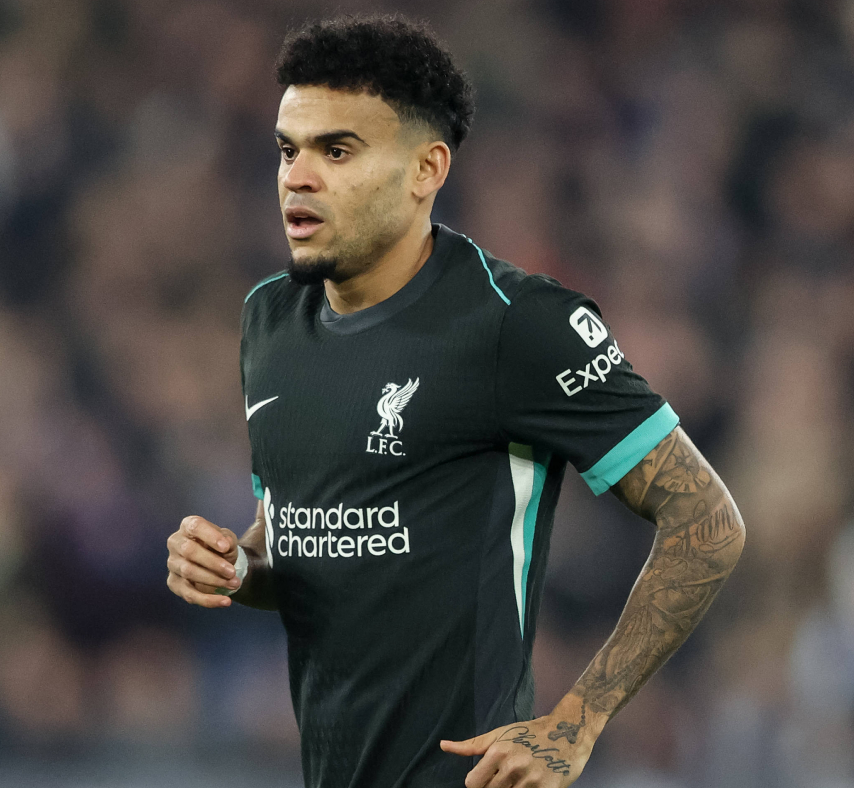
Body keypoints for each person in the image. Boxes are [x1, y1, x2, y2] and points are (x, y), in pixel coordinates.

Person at [166, 15, 745, 788]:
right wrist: (239, 565)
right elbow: (304, 545)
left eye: (337, 151)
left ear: (426, 169)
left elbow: (708, 523)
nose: (297, 177)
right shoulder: (268, 321)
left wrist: (579, 720)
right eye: (287, 149)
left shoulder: (516, 324)